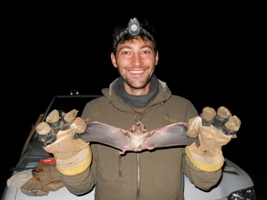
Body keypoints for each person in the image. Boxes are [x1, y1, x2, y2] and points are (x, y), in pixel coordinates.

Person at [36, 15, 240, 200]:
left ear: (156, 58)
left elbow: (205, 184)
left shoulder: (182, 109)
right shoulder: (94, 111)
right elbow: (81, 189)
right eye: (126, 52)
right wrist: (71, 160)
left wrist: (209, 153)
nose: (137, 62)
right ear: (114, 60)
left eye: (145, 52)